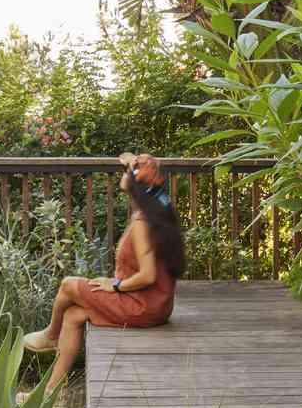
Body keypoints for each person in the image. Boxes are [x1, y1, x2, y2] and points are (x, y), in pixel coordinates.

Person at [23, 153, 185, 393]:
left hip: (142, 305)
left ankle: (51, 335)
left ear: (135, 184)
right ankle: (52, 395)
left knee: (68, 284)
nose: (125, 174)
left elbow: (149, 275)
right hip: (155, 303)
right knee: (74, 315)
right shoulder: (159, 210)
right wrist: (132, 164)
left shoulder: (143, 223)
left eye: (129, 172)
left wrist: (117, 286)